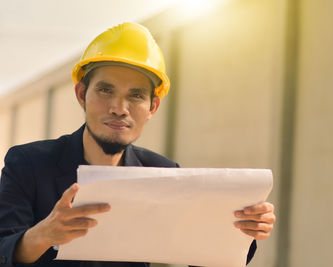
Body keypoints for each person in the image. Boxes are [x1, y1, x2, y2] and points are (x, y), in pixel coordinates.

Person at [0, 22, 276, 267]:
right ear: (82, 94)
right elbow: (3, 248)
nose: (119, 108)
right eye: (106, 90)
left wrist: (241, 229)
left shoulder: (163, 173)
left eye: (135, 96)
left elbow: (201, 253)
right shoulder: (28, 163)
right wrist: (44, 234)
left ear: (153, 106)